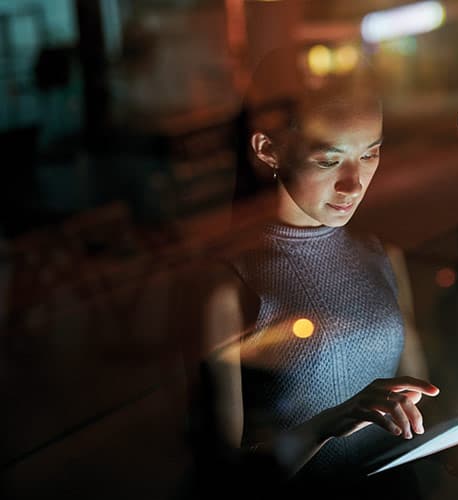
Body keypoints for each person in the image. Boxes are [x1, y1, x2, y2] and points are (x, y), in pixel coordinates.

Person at [180, 49, 440, 495]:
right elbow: (226, 476)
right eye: (328, 160)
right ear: (268, 149)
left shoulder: (382, 256)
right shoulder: (231, 286)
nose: (354, 184)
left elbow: (422, 405)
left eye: (370, 154)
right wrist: (330, 424)